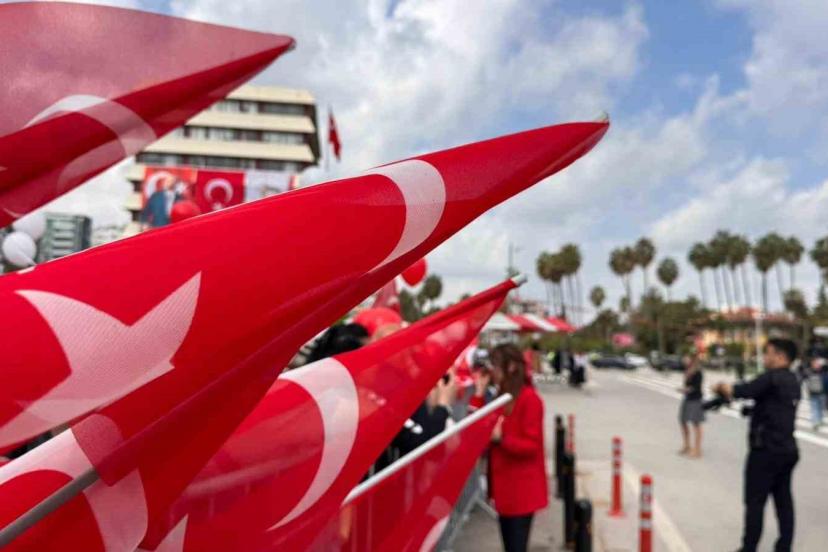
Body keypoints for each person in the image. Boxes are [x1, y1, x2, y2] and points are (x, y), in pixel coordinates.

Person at [712, 338, 801, 552]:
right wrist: (753, 411)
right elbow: (776, 408)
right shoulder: (793, 380)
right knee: (783, 502)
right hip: (787, 450)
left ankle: (748, 548)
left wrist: (721, 387)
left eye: (768, 353)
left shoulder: (771, 377)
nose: (765, 357)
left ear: (780, 356)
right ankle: (784, 547)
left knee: (755, 502)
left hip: (766, 451)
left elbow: (743, 390)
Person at [483, 344, 548, 552]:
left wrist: (502, 440)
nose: (493, 372)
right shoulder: (502, 397)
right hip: (504, 488)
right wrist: (478, 393)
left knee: (516, 545)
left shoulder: (529, 399)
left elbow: (531, 446)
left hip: (521, 491)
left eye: (496, 366)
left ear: (510, 367)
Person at [678, 354, 704, 458]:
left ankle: (697, 449)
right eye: (684, 359)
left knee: (696, 424)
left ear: (692, 360)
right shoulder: (687, 371)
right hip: (687, 399)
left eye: (686, 359)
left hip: (696, 400)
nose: (684, 360)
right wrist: (684, 388)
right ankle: (687, 445)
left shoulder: (698, 372)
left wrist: (685, 390)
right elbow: (686, 385)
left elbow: (696, 387)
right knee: (682, 421)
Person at [803, 357, 825, 429]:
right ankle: (815, 421)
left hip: (820, 392)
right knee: (815, 407)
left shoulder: (821, 371)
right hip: (814, 392)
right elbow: (806, 382)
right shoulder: (812, 371)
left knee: (820, 407)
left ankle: (819, 420)